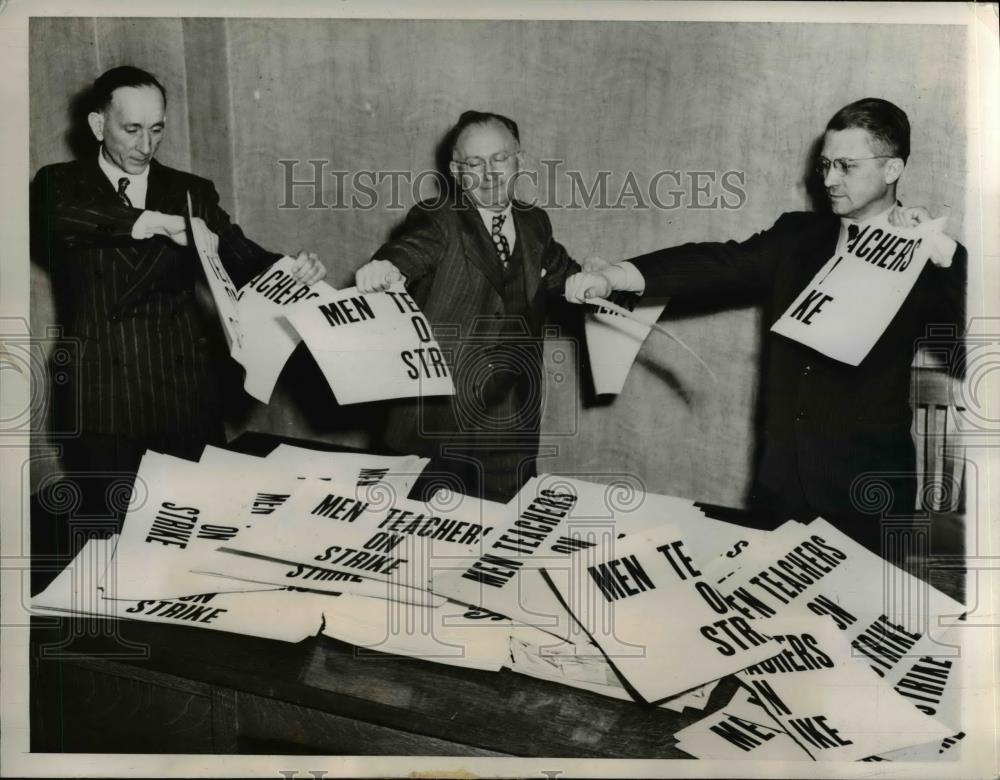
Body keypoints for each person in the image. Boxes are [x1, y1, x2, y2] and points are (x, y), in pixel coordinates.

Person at [564, 97, 966, 554]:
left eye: (846, 167)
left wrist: (944, 254)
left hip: (866, 498)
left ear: (892, 170)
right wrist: (612, 276)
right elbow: (717, 263)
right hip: (779, 489)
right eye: (825, 164)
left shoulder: (931, 256)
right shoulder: (797, 237)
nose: (830, 180)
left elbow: (974, 343)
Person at [32, 65, 326, 523]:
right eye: (131, 130)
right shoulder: (59, 185)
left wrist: (296, 270)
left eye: (156, 130)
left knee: (199, 522)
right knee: (111, 530)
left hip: (182, 391)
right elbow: (60, 219)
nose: (145, 147)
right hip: (104, 395)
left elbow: (243, 257)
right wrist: (154, 222)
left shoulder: (191, 192)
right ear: (97, 125)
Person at [355, 111, 582, 502]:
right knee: (419, 539)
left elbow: (569, 279)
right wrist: (387, 268)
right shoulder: (438, 218)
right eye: (475, 164)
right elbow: (410, 251)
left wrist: (602, 280)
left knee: (504, 533)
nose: (491, 174)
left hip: (511, 422)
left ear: (519, 161)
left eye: (500, 159)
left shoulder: (535, 224)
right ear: (457, 172)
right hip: (435, 423)